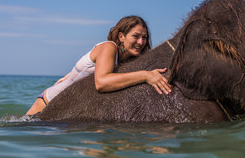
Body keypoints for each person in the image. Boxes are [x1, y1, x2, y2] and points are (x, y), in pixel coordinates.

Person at [26, 15, 171, 115]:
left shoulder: (124, 60)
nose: (141, 42)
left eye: (144, 37)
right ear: (121, 36)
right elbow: (101, 82)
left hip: (67, 109)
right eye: (136, 36)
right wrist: (145, 75)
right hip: (47, 104)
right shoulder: (109, 47)